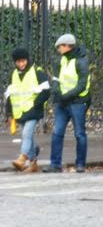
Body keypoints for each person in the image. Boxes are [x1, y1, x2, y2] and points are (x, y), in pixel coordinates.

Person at [44, 34, 91, 173]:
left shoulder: (81, 62)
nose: (58, 49)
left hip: (77, 102)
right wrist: (57, 91)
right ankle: (55, 164)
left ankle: (80, 164)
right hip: (63, 102)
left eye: (60, 46)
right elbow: (56, 79)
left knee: (79, 133)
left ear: (67, 46)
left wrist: (65, 96)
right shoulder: (62, 60)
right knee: (57, 132)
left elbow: (82, 85)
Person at [5, 48, 50, 172]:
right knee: (28, 137)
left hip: (33, 111)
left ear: (27, 59)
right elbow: (9, 95)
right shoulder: (13, 75)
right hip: (20, 112)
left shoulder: (37, 71)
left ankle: (22, 158)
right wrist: (9, 113)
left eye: (23, 61)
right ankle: (33, 163)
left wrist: (36, 104)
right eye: (18, 62)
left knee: (26, 134)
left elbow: (46, 91)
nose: (21, 64)